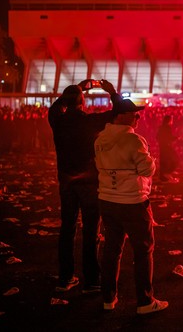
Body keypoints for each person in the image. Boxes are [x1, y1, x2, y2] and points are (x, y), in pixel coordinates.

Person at [94, 98, 168, 314]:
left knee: (112, 250)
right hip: (133, 202)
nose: (138, 117)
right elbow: (147, 170)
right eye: (135, 113)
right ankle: (145, 302)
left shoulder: (99, 139)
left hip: (107, 200)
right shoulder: (134, 140)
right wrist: (150, 159)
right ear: (122, 115)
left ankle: (108, 298)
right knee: (143, 251)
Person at [48, 79, 120, 293]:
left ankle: (66, 276)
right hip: (89, 182)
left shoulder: (57, 121)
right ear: (83, 102)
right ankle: (91, 280)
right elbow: (117, 113)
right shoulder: (89, 122)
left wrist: (76, 90)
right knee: (91, 231)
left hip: (67, 181)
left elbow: (55, 108)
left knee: (67, 229)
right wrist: (111, 92)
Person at [156, 114, 179, 182]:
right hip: (167, 146)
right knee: (174, 159)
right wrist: (176, 138)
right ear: (169, 120)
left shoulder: (161, 127)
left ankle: (163, 175)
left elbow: (157, 137)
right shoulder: (167, 127)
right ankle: (167, 173)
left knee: (163, 160)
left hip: (162, 146)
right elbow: (169, 137)